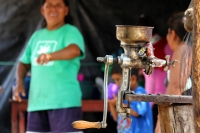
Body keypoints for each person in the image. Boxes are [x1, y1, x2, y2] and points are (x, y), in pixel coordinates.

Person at [14, 0, 85, 133]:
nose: (53, 9)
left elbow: (74, 50)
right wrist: (19, 83)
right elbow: (23, 62)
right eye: (49, 5)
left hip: (65, 103)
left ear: (66, 10)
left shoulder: (70, 31)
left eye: (59, 5)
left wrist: (50, 56)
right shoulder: (37, 36)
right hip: (37, 103)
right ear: (42, 10)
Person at [154, 12, 189, 133]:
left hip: (185, 120)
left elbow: (175, 86)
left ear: (172, 33)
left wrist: (161, 121)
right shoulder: (192, 49)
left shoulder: (183, 49)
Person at [137, 14, 173, 130]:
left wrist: (146, 103)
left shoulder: (148, 50)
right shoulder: (167, 44)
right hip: (172, 96)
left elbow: (150, 79)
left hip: (155, 100)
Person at [108, 64, 153, 133]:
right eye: (115, 80)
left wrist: (119, 103)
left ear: (133, 79)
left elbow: (137, 112)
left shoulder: (140, 93)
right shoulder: (122, 95)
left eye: (118, 80)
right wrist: (111, 102)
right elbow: (116, 118)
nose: (116, 84)